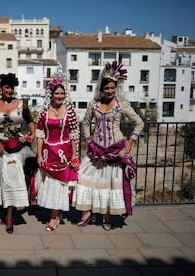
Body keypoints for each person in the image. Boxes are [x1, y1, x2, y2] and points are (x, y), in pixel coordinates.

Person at [74, 61, 144, 230]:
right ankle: (87, 213)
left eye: (113, 88)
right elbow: (85, 123)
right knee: (84, 177)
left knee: (109, 183)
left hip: (115, 149)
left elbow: (139, 123)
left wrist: (127, 146)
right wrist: (89, 140)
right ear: (101, 89)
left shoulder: (121, 105)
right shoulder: (94, 105)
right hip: (96, 148)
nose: (110, 91)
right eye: (107, 88)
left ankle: (106, 218)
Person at [0, 73, 36, 234]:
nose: (10, 90)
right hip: (0, 148)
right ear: (1, 88)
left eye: (12, 87)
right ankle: (7, 210)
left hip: (19, 146)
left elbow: (30, 121)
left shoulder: (22, 104)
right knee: (3, 179)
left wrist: (32, 135)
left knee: (16, 178)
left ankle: (9, 216)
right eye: (7, 87)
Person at [35, 73, 80, 231]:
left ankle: (54, 217)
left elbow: (74, 135)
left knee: (60, 185)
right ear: (51, 95)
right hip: (48, 153)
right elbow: (40, 134)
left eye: (62, 93)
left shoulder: (71, 112)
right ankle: (57, 213)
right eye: (56, 93)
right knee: (50, 185)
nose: (59, 96)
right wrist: (39, 154)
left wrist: (74, 155)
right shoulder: (44, 112)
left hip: (63, 153)